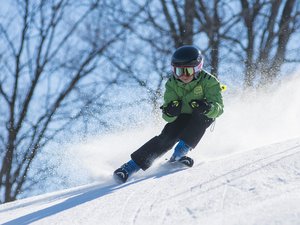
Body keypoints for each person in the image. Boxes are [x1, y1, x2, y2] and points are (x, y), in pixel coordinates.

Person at [113, 45, 224, 183]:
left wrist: (207, 107)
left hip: (201, 115)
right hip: (181, 116)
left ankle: (179, 154)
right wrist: (170, 111)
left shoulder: (209, 81)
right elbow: (167, 116)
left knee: (202, 118)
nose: (183, 76)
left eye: (188, 71)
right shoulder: (172, 84)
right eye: (178, 71)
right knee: (167, 137)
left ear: (197, 68)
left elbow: (219, 108)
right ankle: (129, 168)